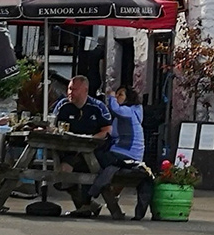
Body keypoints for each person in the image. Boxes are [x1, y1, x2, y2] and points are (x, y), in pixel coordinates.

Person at [86, 85, 153, 220]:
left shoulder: (127, 112)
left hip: (127, 153)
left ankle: (93, 191)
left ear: (128, 98)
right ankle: (98, 189)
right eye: (116, 95)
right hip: (128, 152)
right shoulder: (130, 114)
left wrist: (110, 96)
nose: (117, 98)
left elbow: (114, 108)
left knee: (96, 157)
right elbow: (114, 133)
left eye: (120, 95)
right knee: (100, 157)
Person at [51, 75, 114, 217]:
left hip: (93, 150)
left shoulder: (98, 107)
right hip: (67, 148)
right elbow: (52, 126)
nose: (70, 92)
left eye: (74, 89)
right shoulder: (62, 106)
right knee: (60, 177)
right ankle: (87, 206)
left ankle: (85, 206)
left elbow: (107, 131)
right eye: (69, 89)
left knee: (67, 172)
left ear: (85, 90)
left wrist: (91, 139)